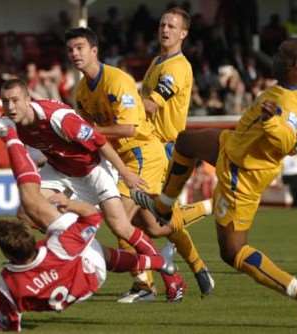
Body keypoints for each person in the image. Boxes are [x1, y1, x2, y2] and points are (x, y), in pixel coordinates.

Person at [132, 38, 297, 328]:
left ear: (295, 65)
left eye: (281, 55)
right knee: (186, 141)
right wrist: (295, 138)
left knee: (233, 252)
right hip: (233, 146)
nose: (274, 58)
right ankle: (163, 205)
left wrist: (272, 123)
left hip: (242, 174)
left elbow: (286, 140)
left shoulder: (283, 102)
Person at [0, 80, 186, 302]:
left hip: (93, 170)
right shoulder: (12, 122)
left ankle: (169, 273)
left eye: (15, 100)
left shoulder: (58, 118)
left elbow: (100, 142)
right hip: (59, 171)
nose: (11, 106)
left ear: (27, 99)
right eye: (6, 102)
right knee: (25, 213)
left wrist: (125, 173)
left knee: (121, 227)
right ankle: (42, 265)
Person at [0, 122, 176, 331]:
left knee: (89, 246)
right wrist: (68, 204)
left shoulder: (7, 282)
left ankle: (161, 263)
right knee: (88, 245)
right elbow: (92, 217)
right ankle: (160, 262)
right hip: (90, 279)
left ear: (6, 253)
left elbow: (8, 329)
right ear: (35, 241)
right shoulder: (59, 245)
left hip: (63, 297)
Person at [65, 26, 213, 302]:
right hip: (124, 160)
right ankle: (202, 215)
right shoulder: (83, 91)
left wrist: (92, 133)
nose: (75, 54)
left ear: (94, 51)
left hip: (144, 153)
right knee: (154, 228)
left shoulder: (117, 80)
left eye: (80, 48)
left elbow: (129, 129)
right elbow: (88, 134)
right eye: (71, 49)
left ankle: (146, 285)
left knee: (119, 221)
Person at [137, 6, 214, 300]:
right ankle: (195, 267)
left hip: (164, 148)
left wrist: (117, 105)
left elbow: (151, 105)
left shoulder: (177, 67)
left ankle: (145, 283)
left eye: (171, 26)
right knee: (154, 218)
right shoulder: (158, 60)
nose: (165, 30)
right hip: (149, 145)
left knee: (141, 215)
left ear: (183, 33)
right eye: (162, 24)